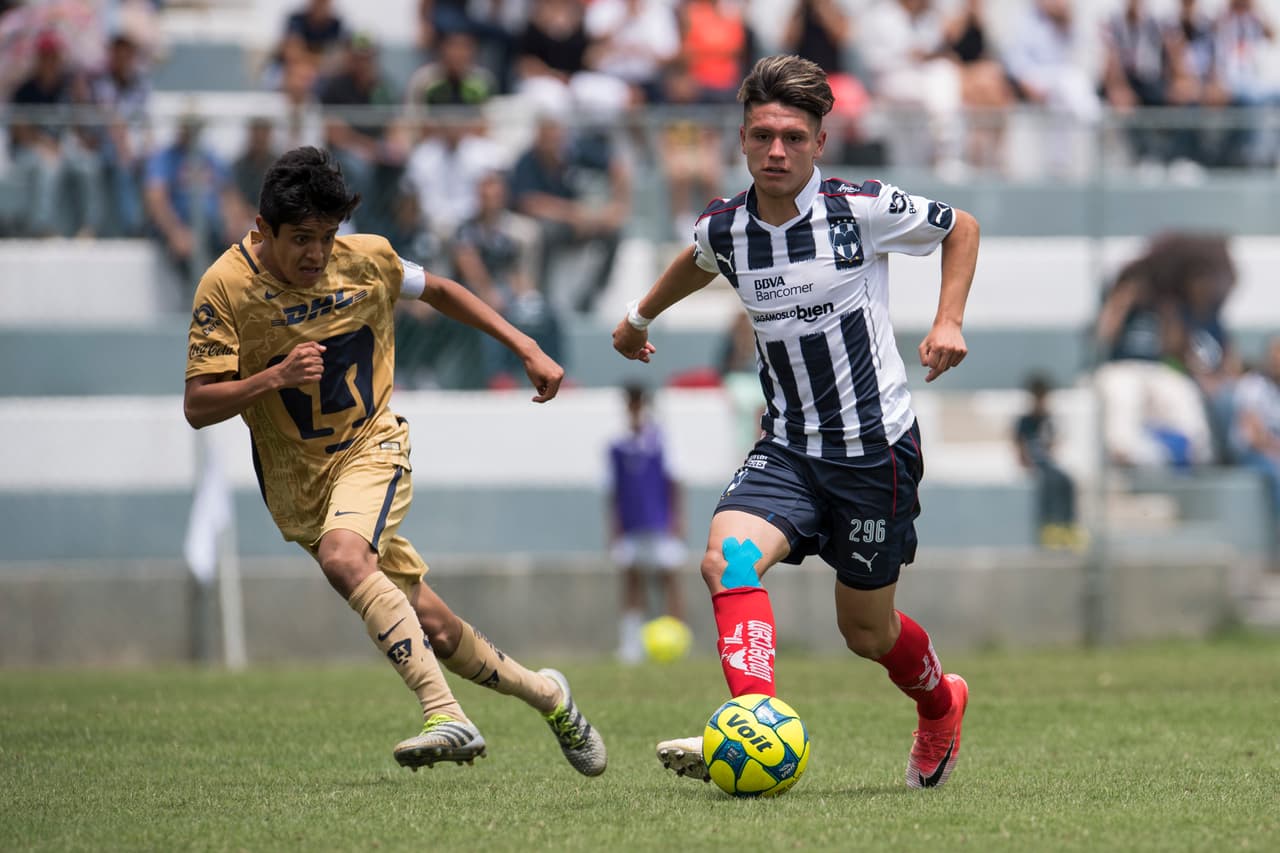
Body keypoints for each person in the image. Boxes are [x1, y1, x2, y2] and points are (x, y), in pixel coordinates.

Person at [612, 54, 979, 790]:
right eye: (761, 136)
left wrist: (947, 320)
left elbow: (960, 226)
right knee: (728, 558)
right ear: (742, 140)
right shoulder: (727, 227)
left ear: (819, 141)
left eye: (792, 137)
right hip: (787, 446)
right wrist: (637, 316)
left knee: (866, 633)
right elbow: (698, 257)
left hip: (876, 453)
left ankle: (942, 703)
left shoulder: (859, 208)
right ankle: (753, 715)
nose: (776, 150)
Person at [182, 146, 606, 776]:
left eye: (327, 237)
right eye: (301, 239)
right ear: (261, 230)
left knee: (343, 557)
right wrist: (270, 379)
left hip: (371, 447)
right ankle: (550, 695)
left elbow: (439, 290)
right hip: (299, 488)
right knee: (431, 624)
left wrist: (525, 345)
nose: (316, 254)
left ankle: (446, 715)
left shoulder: (369, 259)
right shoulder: (226, 286)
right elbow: (198, 404)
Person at [607, 384, 688, 664]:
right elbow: (612, 490)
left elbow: (674, 482)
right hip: (632, 525)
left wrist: (677, 520)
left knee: (670, 581)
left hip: (659, 523)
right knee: (632, 582)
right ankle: (631, 645)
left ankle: (677, 641)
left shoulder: (661, 443)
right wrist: (614, 527)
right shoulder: (616, 446)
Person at [1014, 374, 1082, 549]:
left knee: (1066, 481)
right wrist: (1026, 461)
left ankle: (1068, 526)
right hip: (1034, 463)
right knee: (1047, 483)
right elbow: (1020, 445)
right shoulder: (1024, 421)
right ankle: (1049, 527)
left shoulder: (1048, 420)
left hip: (1046, 462)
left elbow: (1052, 445)